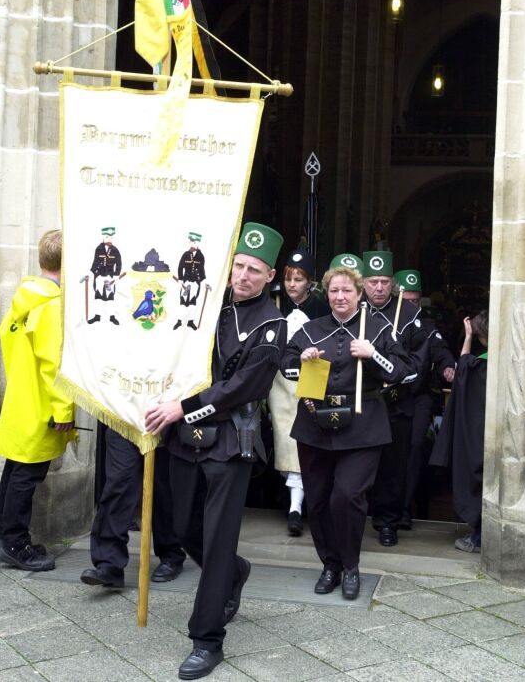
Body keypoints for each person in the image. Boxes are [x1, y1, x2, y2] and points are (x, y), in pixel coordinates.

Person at [144, 222, 286, 681]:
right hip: (186, 436)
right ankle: (232, 573)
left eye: (254, 270)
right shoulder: (208, 309)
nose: (243, 276)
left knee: (218, 539)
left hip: (231, 441)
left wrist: (182, 406)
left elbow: (240, 387)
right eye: (239, 266)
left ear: (271, 276)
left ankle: (207, 640)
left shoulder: (273, 324)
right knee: (183, 528)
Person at [281, 264, 417, 601]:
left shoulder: (377, 328)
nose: (340, 297)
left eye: (347, 291)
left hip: (363, 426)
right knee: (318, 499)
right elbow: (285, 364)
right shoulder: (312, 330)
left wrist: (372, 355)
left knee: (347, 495)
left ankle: (351, 566)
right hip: (314, 423)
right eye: (334, 291)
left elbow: (402, 371)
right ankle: (330, 565)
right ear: (326, 295)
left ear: (359, 294)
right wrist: (304, 358)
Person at [0, 229, 77, 571]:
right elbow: (53, 365)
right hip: (42, 407)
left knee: (14, 471)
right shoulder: (52, 305)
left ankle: (4, 537)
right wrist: (64, 410)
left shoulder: (25, 295)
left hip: (20, 401)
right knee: (25, 477)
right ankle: (15, 543)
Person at [361, 251, 429, 547]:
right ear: (363, 283)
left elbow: (419, 361)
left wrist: (400, 376)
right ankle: (353, 519)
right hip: (361, 402)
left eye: (384, 282)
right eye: (373, 281)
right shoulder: (352, 309)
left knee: (392, 466)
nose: (379, 287)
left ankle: (387, 522)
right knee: (358, 465)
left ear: (393, 284)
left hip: (396, 403)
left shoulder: (410, 314)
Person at [268, 247, 329, 536]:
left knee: (308, 435)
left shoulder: (320, 307)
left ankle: (305, 503)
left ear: (309, 282)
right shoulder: (273, 304)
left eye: (299, 279)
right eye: (289, 278)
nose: (293, 284)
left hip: (312, 374)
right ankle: (293, 505)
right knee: (285, 436)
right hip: (281, 378)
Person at [80, 433, 186, 588]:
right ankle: (110, 563)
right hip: (123, 420)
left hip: (164, 423)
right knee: (118, 485)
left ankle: (171, 553)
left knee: (163, 489)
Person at [393, 270, 456, 530]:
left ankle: (405, 509)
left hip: (418, 398)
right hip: (387, 399)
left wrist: (448, 367)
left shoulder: (427, 329)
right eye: (405, 300)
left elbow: (441, 352)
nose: (410, 306)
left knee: (415, 447)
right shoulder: (382, 324)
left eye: (415, 301)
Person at [430, 311, 488, 553]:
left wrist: (467, 337)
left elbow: (462, 370)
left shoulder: (478, 366)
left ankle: (479, 538)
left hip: (477, 436)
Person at [88, 226, 122, 325]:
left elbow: (119, 264)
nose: (109, 239)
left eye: (111, 237)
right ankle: (97, 316)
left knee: (110, 297)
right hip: (99, 277)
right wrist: (91, 272)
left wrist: (116, 275)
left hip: (108, 279)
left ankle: (112, 317)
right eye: (107, 236)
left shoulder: (115, 250)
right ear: (103, 237)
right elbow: (95, 262)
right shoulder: (98, 249)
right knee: (98, 296)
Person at [174, 231, 208, 331]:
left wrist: (204, 281)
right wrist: (180, 279)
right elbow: (180, 267)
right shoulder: (185, 254)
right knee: (183, 301)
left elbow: (202, 269)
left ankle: (190, 322)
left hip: (195, 283)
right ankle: (179, 321)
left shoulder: (201, 256)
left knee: (193, 302)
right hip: (186, 282)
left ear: (198, 243)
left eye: (194, 242)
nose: (192, 244)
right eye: (191, 242)